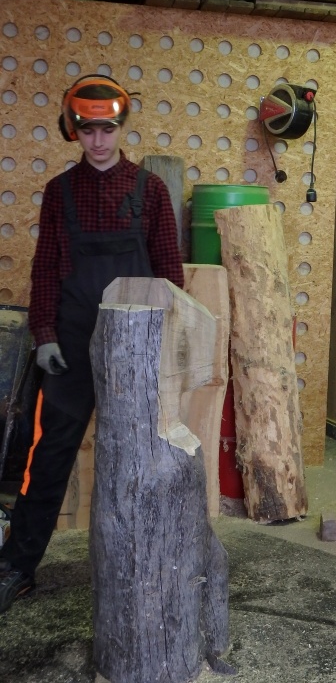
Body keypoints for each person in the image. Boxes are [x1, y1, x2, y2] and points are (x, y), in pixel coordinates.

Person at [0, 75, 184, 613]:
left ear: (122, 128)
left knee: (141, 455)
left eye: (107, 129)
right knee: (51, 453)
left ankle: (148, 563)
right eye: (87, 131)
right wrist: (45, 335)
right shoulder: (60, 193)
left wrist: (166, 342)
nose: (98, 141)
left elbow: (170, 276)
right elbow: (45, 269)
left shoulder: (151, 191)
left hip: (135, 346)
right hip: (72, 344)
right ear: (72, 131)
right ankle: (17, 566)